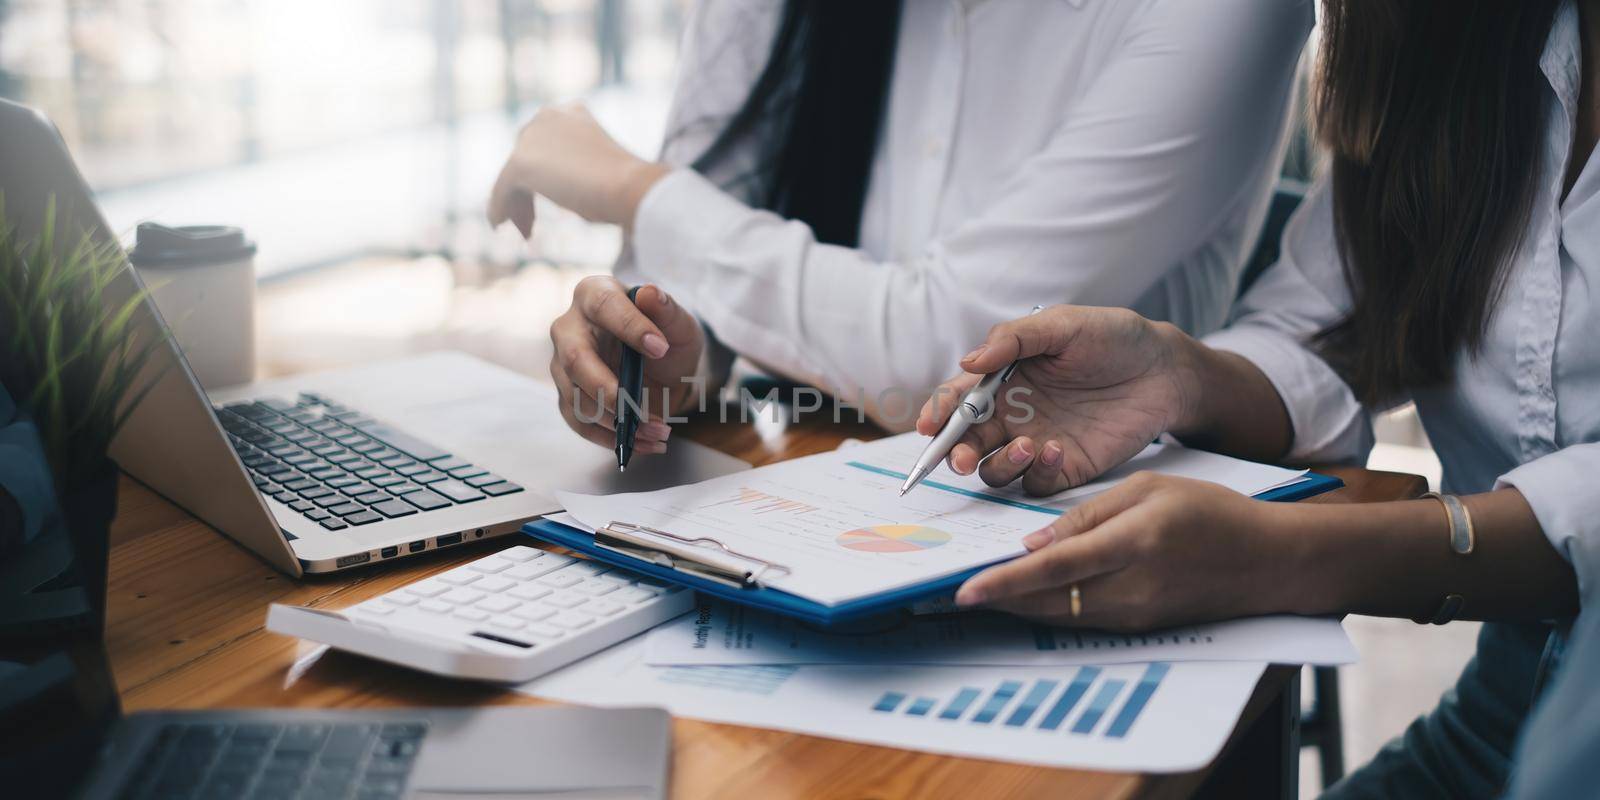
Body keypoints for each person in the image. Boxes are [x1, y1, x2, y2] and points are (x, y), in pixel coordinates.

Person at [915, 1, 1595, 796]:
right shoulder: (1453, 34)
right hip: (1505, 707)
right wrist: (1176, 374)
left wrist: (1286, 558)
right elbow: (1326, 322)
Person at [487, 0, 1312, 447]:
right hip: (790, 498)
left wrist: (627, 185)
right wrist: (668, 353)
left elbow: (951, 358)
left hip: (1084, 541)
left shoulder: (1223, 12)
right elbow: (694, 266)